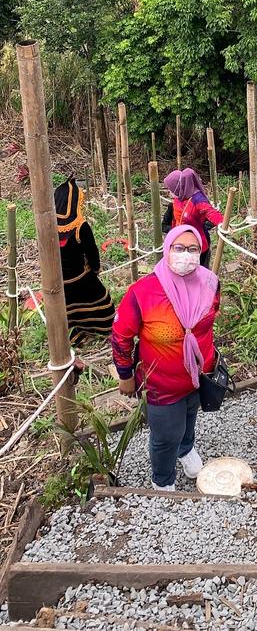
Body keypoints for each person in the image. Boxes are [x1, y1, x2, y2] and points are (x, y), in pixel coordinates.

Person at [112, 224, 220, 491]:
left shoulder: (210, 283)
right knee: (165, 435)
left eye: (193, 249)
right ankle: (162, 480)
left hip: (198, 376)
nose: (186, 255)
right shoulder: (143, 292)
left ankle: (186, 450)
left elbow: (207, 325)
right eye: (179, 248)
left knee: (190, 417)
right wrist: (125, 375)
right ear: (167, 249)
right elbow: (121, 336)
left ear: (201, 252)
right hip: (160, 383)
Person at [54, 177, 115, 346]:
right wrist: (94, 270)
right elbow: (92, 252)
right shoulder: (81, 227)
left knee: (66, 313)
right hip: (81, 278)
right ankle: (100, 330)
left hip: (59, 284)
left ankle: (76, 337)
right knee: (104, 302)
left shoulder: (48, 225)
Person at [162, 168, 224, 269]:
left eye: (171, 189)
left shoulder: (197, 200)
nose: (169, 192)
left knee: (199, 271)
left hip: (198, 244)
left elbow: (210, 212)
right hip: (179, 241)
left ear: (179, 187)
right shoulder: (179, 197)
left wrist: (222, 223)